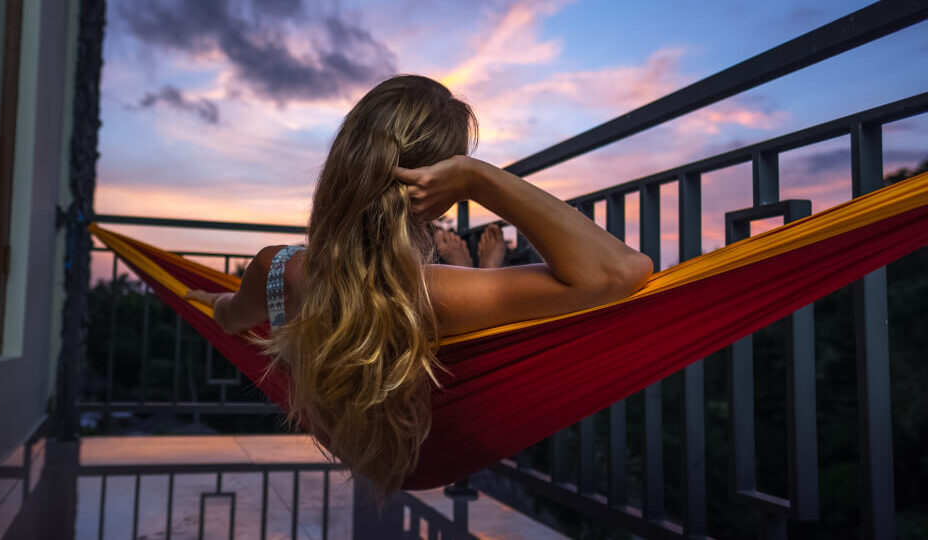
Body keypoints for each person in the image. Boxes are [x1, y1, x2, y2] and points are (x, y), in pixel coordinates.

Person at [183, 74, 652, 499]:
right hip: (421, 451)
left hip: (344, 433)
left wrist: (207, 299)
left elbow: (228, 316)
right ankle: (487, 269)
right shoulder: (433, 294)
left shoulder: (276, 269)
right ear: (436, 187)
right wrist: (479, 179)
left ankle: (485, 269)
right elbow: (620, 270)